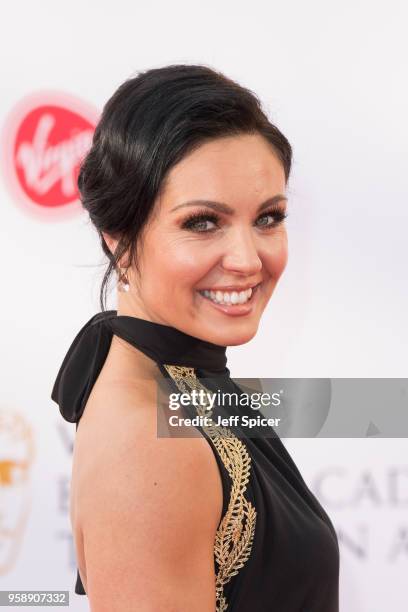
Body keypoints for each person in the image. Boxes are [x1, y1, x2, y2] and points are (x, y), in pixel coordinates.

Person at [51, 64, 339, 612]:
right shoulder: (150, 439)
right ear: (120, 239)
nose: (249, 260)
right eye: (203, 222)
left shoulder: (181, 383)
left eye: (269, 217)